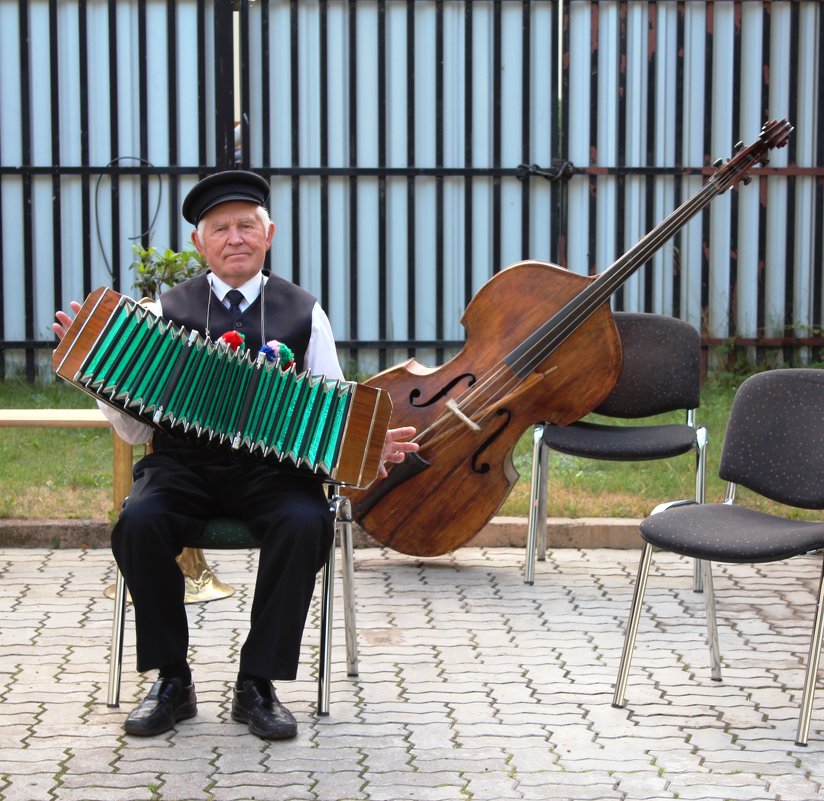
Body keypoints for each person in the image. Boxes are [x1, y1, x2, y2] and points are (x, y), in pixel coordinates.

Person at [53, 170, 418, 740]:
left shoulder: (305, 313)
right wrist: (101, 375)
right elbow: (131, 434)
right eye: (219, 228)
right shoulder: (160, 313)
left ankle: (257, 684)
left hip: (273, 474)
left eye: (246, 225)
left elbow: (334, 406)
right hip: (181, 466)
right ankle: (172, 680)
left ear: (268, 234)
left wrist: (366, 450)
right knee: (138, 522)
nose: (235, 238)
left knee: (305, 523)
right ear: (200, 244)